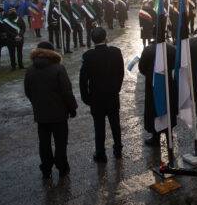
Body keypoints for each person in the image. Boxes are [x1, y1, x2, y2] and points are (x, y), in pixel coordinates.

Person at [24, 41, 77, 179]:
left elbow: (28, 91)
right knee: (60, 141)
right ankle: (62, 165)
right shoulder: (58, 69)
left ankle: (46, 167)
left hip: (41, 113)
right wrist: (72, 109)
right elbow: (66, 91)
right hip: (59, 113)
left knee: (44, 142)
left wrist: (37, 103)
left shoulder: (30, 70)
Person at [79, 27, 124, 162]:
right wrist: (117, 89)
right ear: (105, 38)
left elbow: (83, 80)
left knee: (99, 127)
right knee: (115, 123)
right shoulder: (115, 52)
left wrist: (86, 98)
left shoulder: (88, 56)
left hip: (96, 97)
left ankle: (100, 152)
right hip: (112, 95)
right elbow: (120, 73)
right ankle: (118, 148)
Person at [138, 39, 178, 146]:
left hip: (153, 83)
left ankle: (156, 137)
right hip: (167, 82)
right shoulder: (171, 49)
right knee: (166, 106)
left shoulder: (148, 50)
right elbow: (175, 64)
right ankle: (168, 135)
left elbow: (141, 68)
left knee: (155, 108)